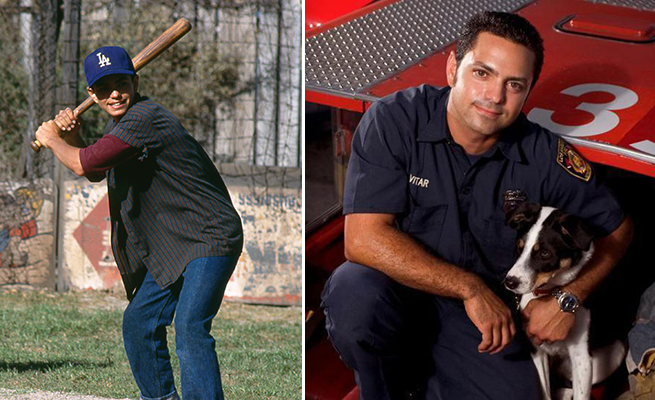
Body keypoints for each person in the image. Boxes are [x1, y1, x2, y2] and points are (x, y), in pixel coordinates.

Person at [320, 11, 634, 399]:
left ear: (527, 90)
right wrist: (469, 288)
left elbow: (618, 229)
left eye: (513, 84)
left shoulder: (544, 155)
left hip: (484, 321)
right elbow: (362, 240)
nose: (494, 96)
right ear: (453, 67)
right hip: (398, 293)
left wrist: (568, 299)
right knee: (354, 292)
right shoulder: (395, 120)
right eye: (482, 73)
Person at [35, 46, 243, 400]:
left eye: (121, 83)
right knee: (139, 323)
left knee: (191, 326)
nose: (114, 93)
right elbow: (97, 169)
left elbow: (84, 164)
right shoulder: (119, 125)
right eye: (104, 88)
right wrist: (71, 137)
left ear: (136, 81)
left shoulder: (146, 118)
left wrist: (53, 139)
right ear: (92, 94)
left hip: (209, 237)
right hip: (175, 244)